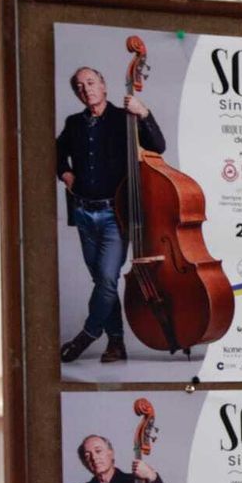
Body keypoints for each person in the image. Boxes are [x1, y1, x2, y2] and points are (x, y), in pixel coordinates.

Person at [55, 65, 166, 365]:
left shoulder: (124, 119)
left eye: (91, 82)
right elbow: (56, 151)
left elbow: (158, 146)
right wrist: (65, 173)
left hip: (114, 213)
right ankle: (116, 343)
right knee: (102, 281)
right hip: (82, 213)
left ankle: (88, 335)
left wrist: (143, 112)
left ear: (103, 85)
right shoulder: (74, 123)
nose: (86, 89)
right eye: (79, 86)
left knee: (106, 278)